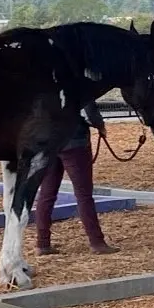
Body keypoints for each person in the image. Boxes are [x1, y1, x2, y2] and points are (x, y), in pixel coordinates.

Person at [31, 109, 117, 255]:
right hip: (74, 140)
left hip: (48, 140)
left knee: (46, 193)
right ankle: (96, 242)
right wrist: (100, 125)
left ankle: (42, 243)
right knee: (84, 195)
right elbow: (88, 109)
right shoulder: (76, 85)